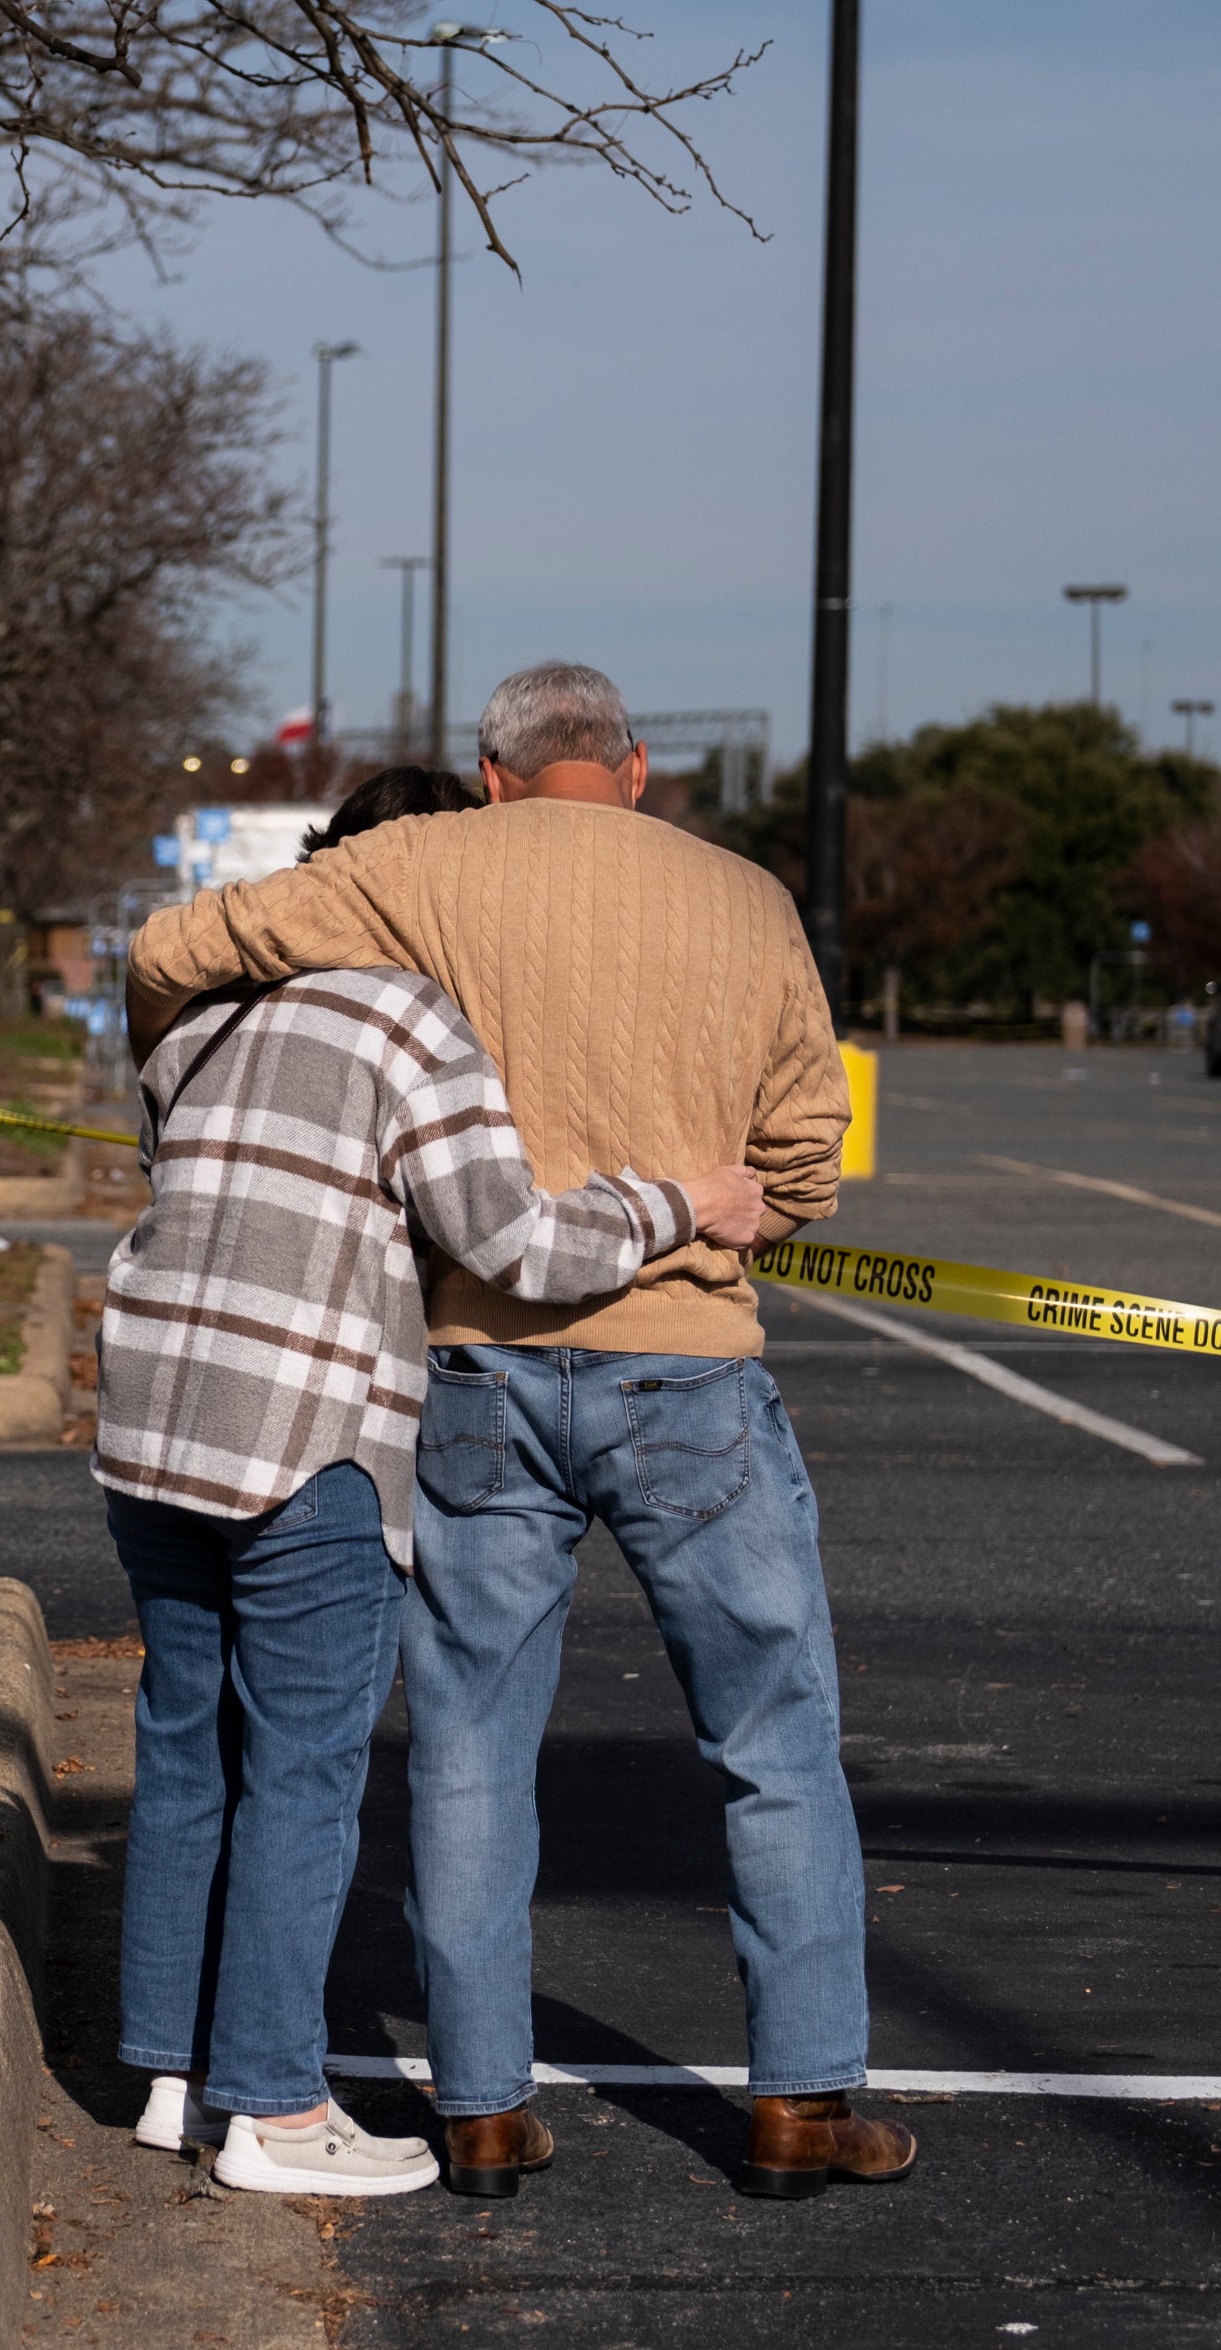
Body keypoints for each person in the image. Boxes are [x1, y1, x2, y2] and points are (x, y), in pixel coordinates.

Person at [123, 663, 912, 2203]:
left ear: (491, 776)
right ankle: (801, 2104)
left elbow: (172, 947)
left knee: (474, 1747)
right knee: (773, 1739)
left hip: (476, 1364)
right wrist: (710, 1196)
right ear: (631, 769)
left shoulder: (419, 868)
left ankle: (481, 2106)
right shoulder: (746, 900)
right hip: (691, 1370)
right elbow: (805, 1167)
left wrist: (167, 1098)